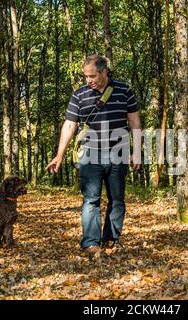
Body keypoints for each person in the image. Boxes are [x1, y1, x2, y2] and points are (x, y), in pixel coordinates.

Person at [46, 54, 141, 258]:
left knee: (117, 199)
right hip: (89, 154)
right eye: (86, 76)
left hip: (118, 152)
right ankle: (90, 243)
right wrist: (59, 155)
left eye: (92, 76)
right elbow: (70, 124)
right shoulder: (79, 95)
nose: (88, 81)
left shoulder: (124, 91)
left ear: (104, 72)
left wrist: (137, 151)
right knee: (91, 199)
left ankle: (111, 239)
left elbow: (134, 121)